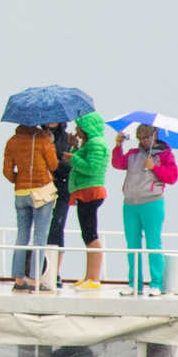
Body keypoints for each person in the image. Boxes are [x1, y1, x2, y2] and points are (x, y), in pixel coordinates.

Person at [112, 124, 178, 293]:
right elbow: (118, 164)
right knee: (132, 246)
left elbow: (172, 177)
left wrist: (154, 167)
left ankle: (156, 283)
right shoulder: (134, 154)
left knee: (153, 244)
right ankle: (134, 283)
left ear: (154, 135)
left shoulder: (165, 154)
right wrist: (118, 146)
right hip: (130, 204)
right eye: (139, 137)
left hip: (152, 203)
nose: (142, 141)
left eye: (145, 137)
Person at [1, 122, 58, 291]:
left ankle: (19, 280)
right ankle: (34, 280)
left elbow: (7, 172)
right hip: (41, 192)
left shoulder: (12, 141)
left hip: (21, 193)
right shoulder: (42, 139)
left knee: (21, 236)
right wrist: (51, 143)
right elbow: (53, 165)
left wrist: (19, 179)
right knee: (39, 238)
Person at [66, 111, 111, 289]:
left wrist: (74, 157)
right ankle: (88, 277)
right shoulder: (92, 143)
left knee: (90, 234)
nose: (76, 129)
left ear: (87, 127)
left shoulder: (96, 143)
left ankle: (93, 278)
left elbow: (91, 168)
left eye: (79, 126)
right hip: (85, 190)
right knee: (87, 234)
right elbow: (84, 161)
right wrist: (75, 148)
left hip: (90, 192)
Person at [43, 122, 74, 288]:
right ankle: (40, 269)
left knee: (57, 227)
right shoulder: (38, 135)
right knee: (41, 229)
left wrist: (52, 161)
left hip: (62, 186)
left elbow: (70, 166)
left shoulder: (68, 139)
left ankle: (54, 272)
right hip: (41, 186)